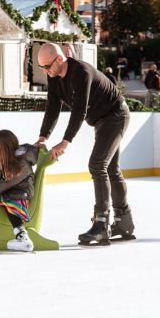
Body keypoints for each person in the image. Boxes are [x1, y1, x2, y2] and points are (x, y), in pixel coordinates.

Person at [37, 42, 135, 246]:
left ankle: (101, 223)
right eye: (42, 68)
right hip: (101, 120)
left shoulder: (80, 72)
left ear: (60, 59)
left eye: (47, 66)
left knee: (98, 165)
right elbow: (52, 109)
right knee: (111, 169)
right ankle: (124, 223)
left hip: (116, 115)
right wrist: (43, 138)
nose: (45, 71)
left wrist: (65, 142)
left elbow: (79, 111)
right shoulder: (53, 77)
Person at [0, 130, 39, 252]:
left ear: (6, 148)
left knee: (10, 203)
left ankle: (23, 237)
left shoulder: (22, 163)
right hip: (8, 192)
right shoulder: (0, 161)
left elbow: (11, 179)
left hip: (20, 193)